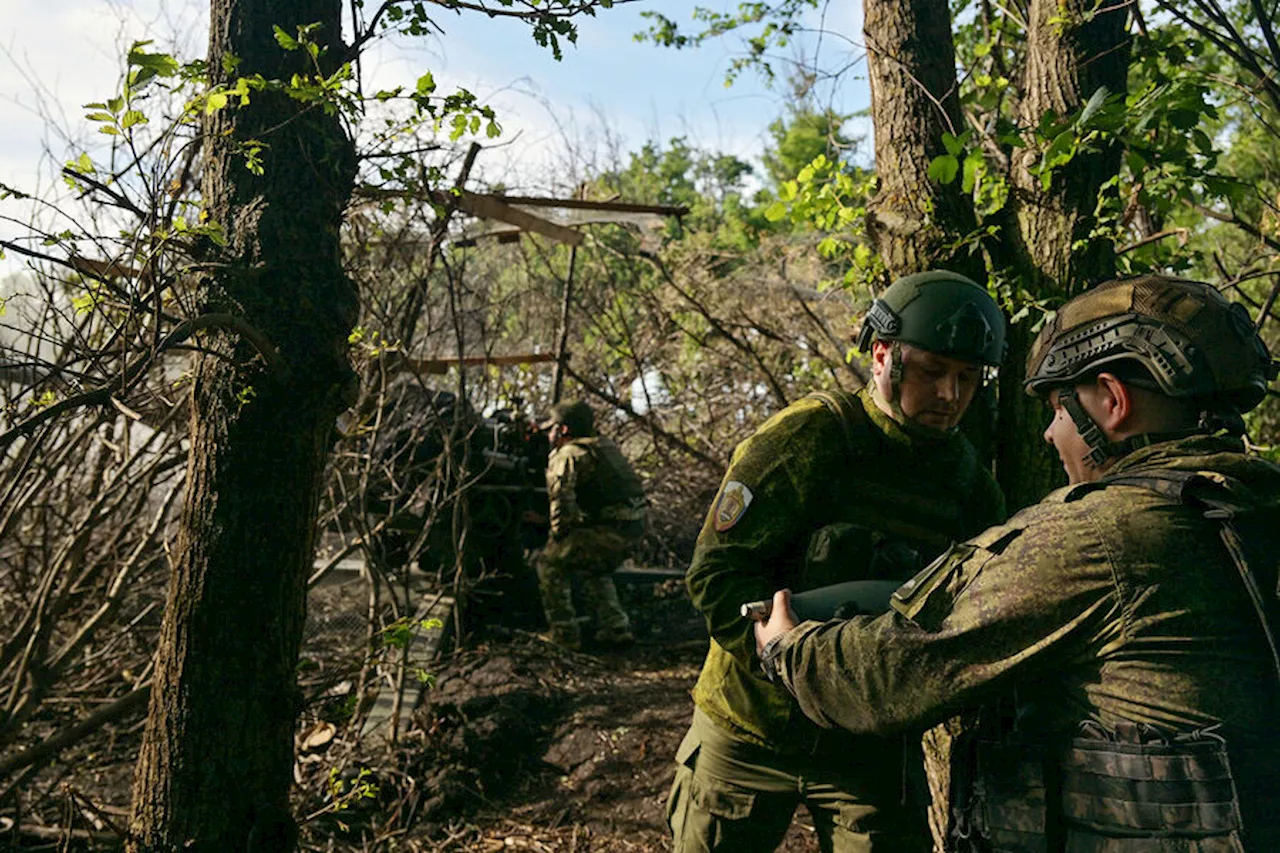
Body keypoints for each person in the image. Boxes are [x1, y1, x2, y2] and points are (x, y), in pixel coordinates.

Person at [756, 274, 1280, 851]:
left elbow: (890, 677)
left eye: (1058, 409)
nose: (1052, 435)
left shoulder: (1098, 532)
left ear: (1112, 400)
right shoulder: (1254, 504)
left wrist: (788, 647)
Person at [669, 270, 1009, 853]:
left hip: (869, 745)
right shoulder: (810, 439)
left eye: (967, 379)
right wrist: (777, 653)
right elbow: (717, 575)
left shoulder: (968, 485)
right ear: (883, 356)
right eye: (932, 372)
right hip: (751, 727)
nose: (950, 396)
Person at [536, 399, 647, 651]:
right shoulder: (604, 446)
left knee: (550, 563)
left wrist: (558, 535)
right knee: (592, 564)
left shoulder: (568, 454)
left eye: (552, 427)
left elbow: (561, 501)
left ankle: (564, 635)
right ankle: (616, 628)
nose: (549, 433)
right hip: (632, 530)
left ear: (563, 430)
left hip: (610, 533)